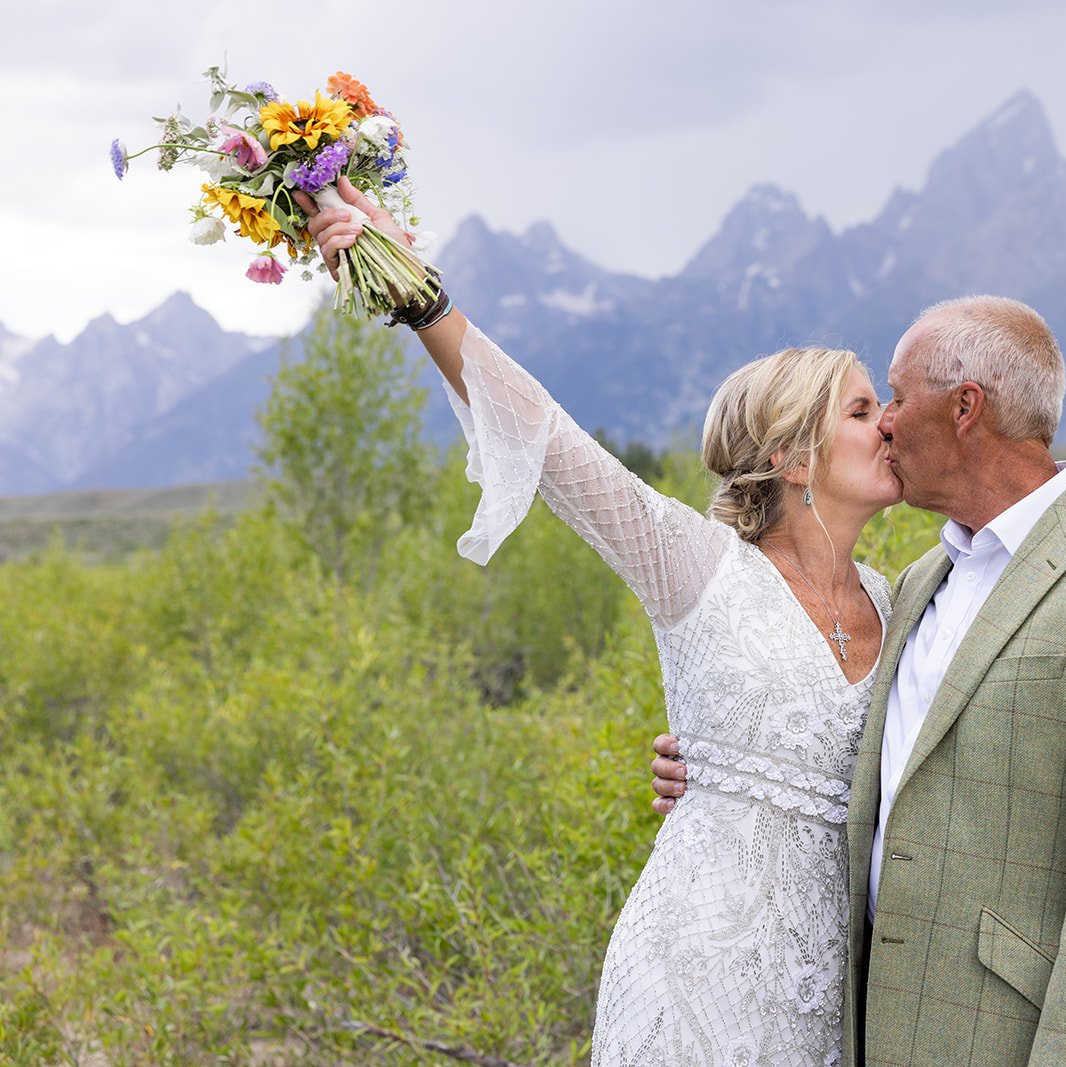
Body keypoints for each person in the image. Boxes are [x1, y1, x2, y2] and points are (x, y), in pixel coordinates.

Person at [298, 179, 904, 1065]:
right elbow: (552, 444)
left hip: (833, 995)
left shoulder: (903, 600)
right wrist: (418, 293)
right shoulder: (697, 567)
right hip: (697, 976)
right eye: (860, 410)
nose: (887, 423)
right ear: (791, 456)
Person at [654, 296, 1066, 1065]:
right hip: (866, 1036)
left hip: (1010, 1044)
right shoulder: (913, 585)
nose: (884, 421)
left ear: (963, 408)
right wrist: (719, 764)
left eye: (895, 395)